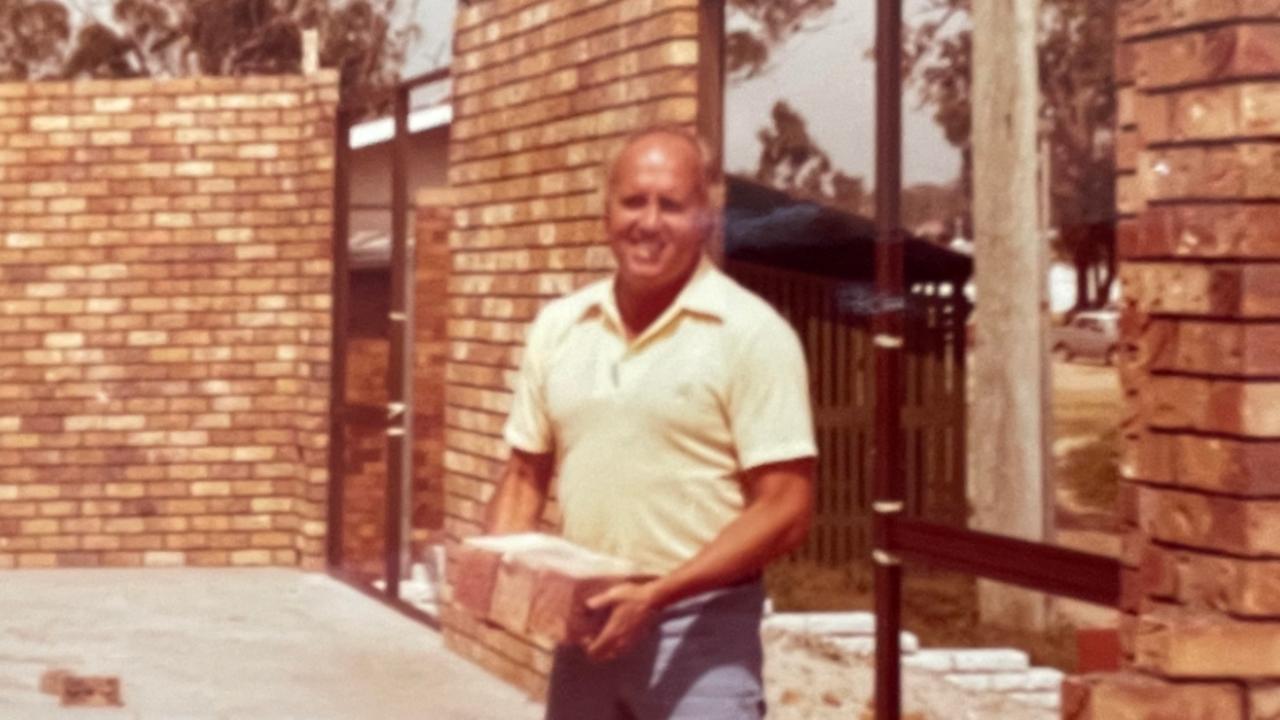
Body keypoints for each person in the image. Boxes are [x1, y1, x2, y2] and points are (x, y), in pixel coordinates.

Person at [484, 125, 817, 720]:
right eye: (634, 201)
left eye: (672, 204)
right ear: (606, 210)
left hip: (703, 640)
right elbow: (523, 475)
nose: (649, 221)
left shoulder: (752, 335)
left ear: (706, 218)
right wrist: (501, 575)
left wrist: (659, 594)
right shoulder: (561, 327)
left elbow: (787, 509)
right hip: (585, 634)